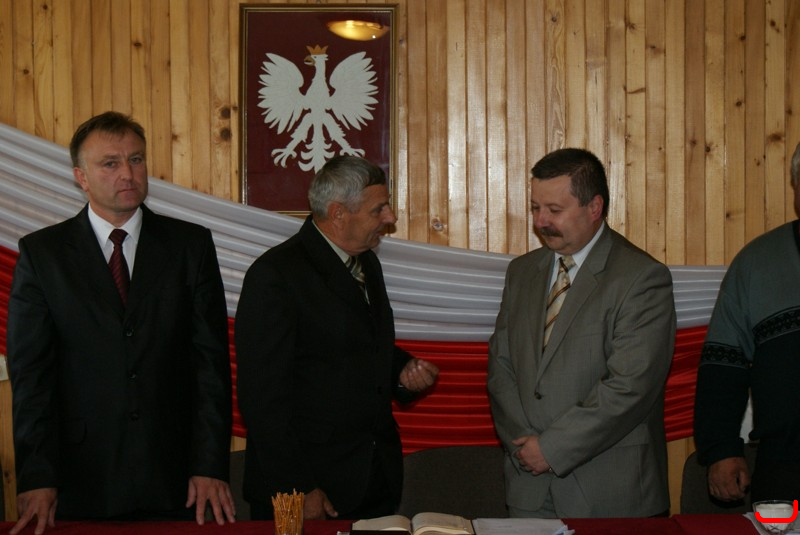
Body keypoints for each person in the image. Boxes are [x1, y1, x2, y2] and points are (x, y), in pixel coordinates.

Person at [7, 111, 236, 534]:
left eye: (136, 159)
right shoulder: (43, 255)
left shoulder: (190, 246)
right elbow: (32, 377)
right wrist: (37, 475)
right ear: (81, 177)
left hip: (178, 480)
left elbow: (210, 366)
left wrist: (209, 465)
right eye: (110, 163)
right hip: (81, 478)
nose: (127, 174)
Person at [235, 155, 439, 521]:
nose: (390, 217)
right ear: (338, 214)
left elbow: (354, 345)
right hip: (309, 488)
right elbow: (262, 399)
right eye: (379, 209)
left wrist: (403, 372)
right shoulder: (275, 276)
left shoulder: (365, 262)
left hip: (372, 480)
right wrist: (298, 488)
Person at [487, 148, 676, 518]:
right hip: (528, 487)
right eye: (535, 207)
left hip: (610, 494)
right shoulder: (521, 273)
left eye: (554, 210)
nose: (541, 221)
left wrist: (551, 448)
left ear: (594, 208)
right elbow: (501, 366)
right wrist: (525, 446)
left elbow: (630, 386)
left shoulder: (640, 278)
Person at [693, 142, 800, 504]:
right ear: (795, 186)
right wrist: (721, 448)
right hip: (785, 466)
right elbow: (723, 363)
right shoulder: (756, 263)